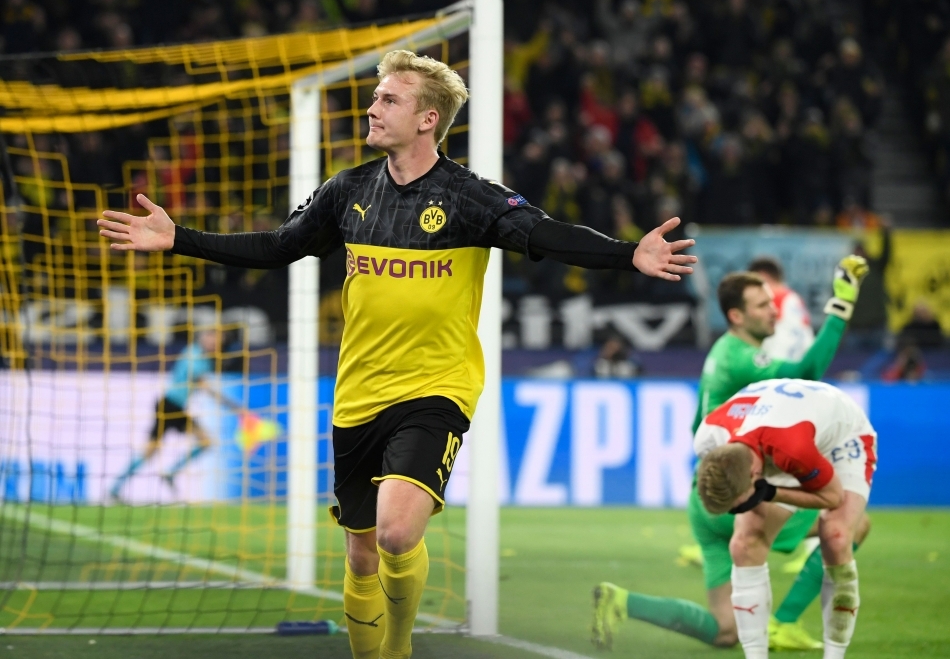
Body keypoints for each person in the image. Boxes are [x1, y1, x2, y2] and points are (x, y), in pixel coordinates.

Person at [97, 49, 697, 659]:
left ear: (428, 118)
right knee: (360, 556)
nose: (372, 107)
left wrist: (628, 254)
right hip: (358, 392)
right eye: (375, 96)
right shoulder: (348, 191)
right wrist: (180, 240)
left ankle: (399, 649)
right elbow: (279, 247)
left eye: (389, 99)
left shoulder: (468, 197)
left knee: (396, 531)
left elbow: (546, 234)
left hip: (436, 388)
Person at [591, 259, 869, 652]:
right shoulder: (743, 355)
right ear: (736, 316)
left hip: (706, 497)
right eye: (761, 305)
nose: (773, 310)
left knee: (726, 630)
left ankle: (621, 601)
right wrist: (839, 309)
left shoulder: (724, 351)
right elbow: (807, 370)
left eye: (771, 302)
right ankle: (784, 622)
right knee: (854, 526)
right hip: (738, 493)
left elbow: (702, 430)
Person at [694, 378, 877, 659]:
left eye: (737, 505)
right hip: (776, 433)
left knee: (837, 537)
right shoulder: (708, 437)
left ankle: (834, 656)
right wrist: (751, 498)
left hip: (840, 433)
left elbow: (832, 497)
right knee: (744, 544)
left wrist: (771, 493)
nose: (737, 512)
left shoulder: (792, 449)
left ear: (756, 475)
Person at [108, 327, 224, 501]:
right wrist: (235, 407)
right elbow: (203, 386)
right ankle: (117, 488)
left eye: (219, 341)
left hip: (177, 407)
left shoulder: (204, 359)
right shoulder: (194, 354)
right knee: (151, 451)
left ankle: (167, 474)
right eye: (213, 339)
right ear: (204, 338)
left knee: (203, 441)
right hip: (168, 405)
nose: (216, 343)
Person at [748, 256, 814, 362]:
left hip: (783, 367)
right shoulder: (794, 297)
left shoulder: (773, 297)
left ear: (763, 277)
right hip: (803, 365)